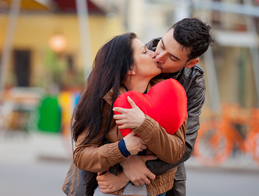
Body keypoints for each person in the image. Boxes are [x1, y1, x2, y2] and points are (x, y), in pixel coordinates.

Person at [95, 18, 213, 196]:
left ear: (190, 63)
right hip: (107, 173)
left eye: (172, 58)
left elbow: (185, 147)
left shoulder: (192, 83)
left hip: (160, 179)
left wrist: (130, 173)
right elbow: (89, 122)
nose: (158, 57)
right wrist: (125, 160)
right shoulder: (128, 54)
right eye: (162, 45)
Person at [68, 32, 188, 196]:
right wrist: (122, 149)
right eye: (145, 52)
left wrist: (144, 124)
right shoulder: (106, 100)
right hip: (112, 189)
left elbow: (176, 151)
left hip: (156, 189)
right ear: (130, 68)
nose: (155, 54)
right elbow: (81, 155)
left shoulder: (171, 93)